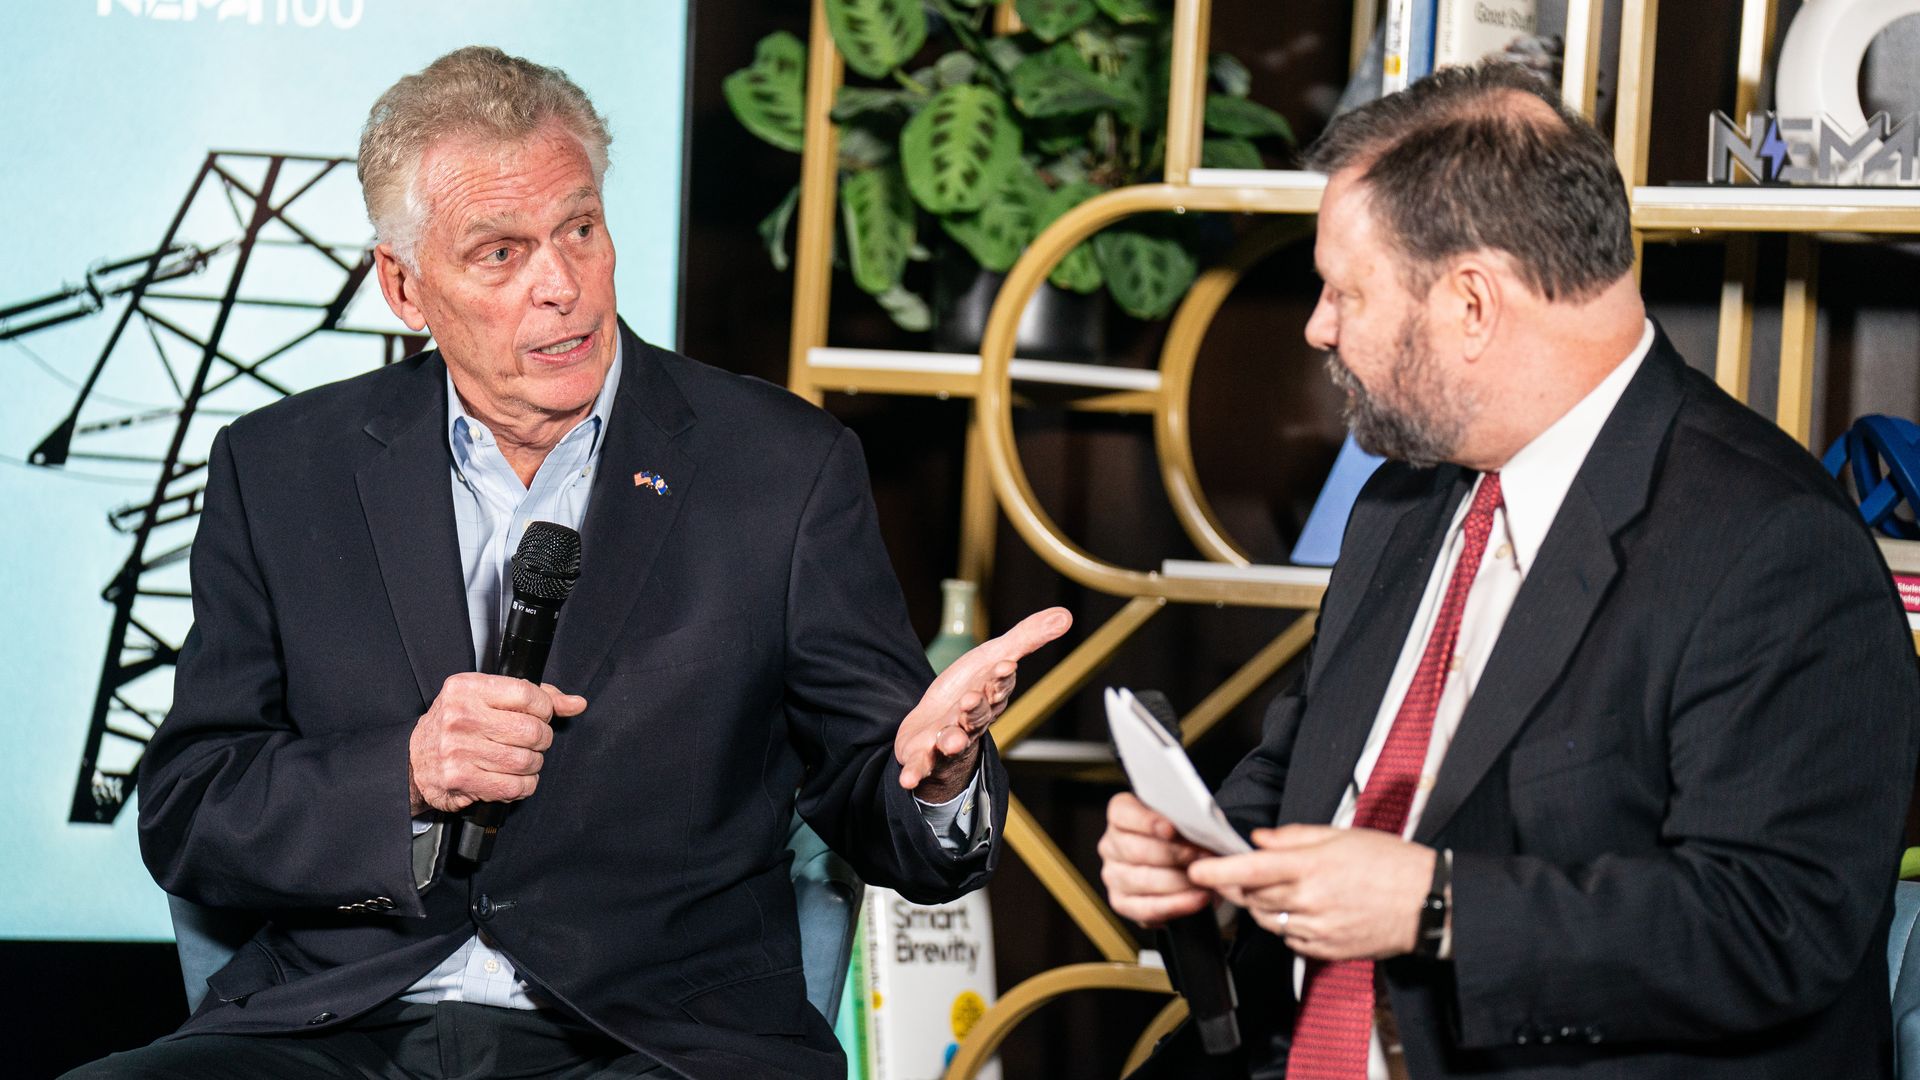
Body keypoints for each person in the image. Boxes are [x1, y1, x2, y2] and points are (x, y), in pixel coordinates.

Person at [67, 47, 1069, 1080]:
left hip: (653, 1040)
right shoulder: (280, 468)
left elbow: (880, 792)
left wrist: (938, 781)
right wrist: (408, 773)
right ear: (405, 286)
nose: (561, 285)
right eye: (500, 253)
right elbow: (192, 809)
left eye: (578, 229)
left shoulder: (781, 467)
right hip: (334, 1028)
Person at [1101, 61, 1920, 1079]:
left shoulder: (1774, 546)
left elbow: (1772, 927)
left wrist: (1434, 908)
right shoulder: (1403, 500)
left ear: (1472, 305)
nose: (1317, 326)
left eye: (1344, 290)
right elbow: (1312, 763)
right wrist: (1213, 855)